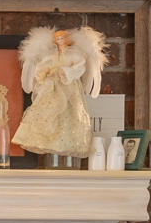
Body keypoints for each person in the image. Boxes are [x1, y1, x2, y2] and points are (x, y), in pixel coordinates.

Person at [11, 25, 105, 161]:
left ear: (66, 39)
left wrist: (66, 72)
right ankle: (49, 145)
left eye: (61, 38)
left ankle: (66, 149)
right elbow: (42, 67)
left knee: (69, 114)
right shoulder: (51, 56)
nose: (59, 40)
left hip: (69, 89)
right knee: (49, 116)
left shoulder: (75, 55)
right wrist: (44, 73)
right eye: (57, 38)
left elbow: (79, 67)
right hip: (52, 90)